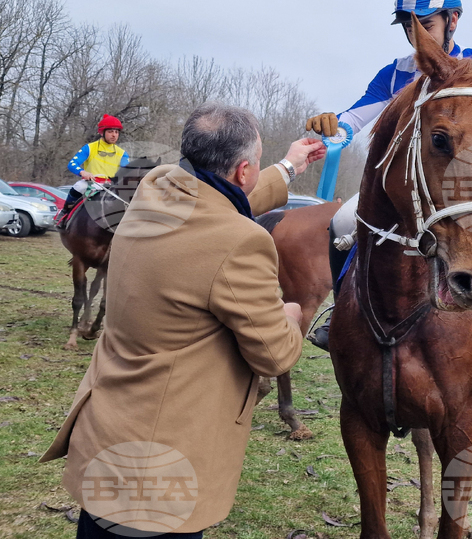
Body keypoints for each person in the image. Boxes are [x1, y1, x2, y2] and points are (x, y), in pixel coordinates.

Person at [40, 103, 327, 538]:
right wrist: (291, 313)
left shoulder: (150, 195)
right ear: (243, 170)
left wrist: (288, 166)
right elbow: (274, 354)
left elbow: (218, 198)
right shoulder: (239, 243)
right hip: (160, 468)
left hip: (107, 434)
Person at [306, 0, 472, 360]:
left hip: (459, 185)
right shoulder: (393, 73)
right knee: (341, 224)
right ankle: (338, 309)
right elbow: (357, 118)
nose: (418, 36)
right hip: (395, 188)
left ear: (452, 20)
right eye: (409, 26)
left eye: (426, 24)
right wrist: (333, 126)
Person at [56, 114, 130, 227]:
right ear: (102, 132)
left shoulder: (122, 153)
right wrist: (82, 172)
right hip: (91, 183)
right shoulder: (89, 148)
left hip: (111, 186)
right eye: (110, 131)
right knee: (78, 187)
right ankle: (64, 213)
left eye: (116, 132)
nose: (114, 135)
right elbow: (72, 164)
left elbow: (126, 170)